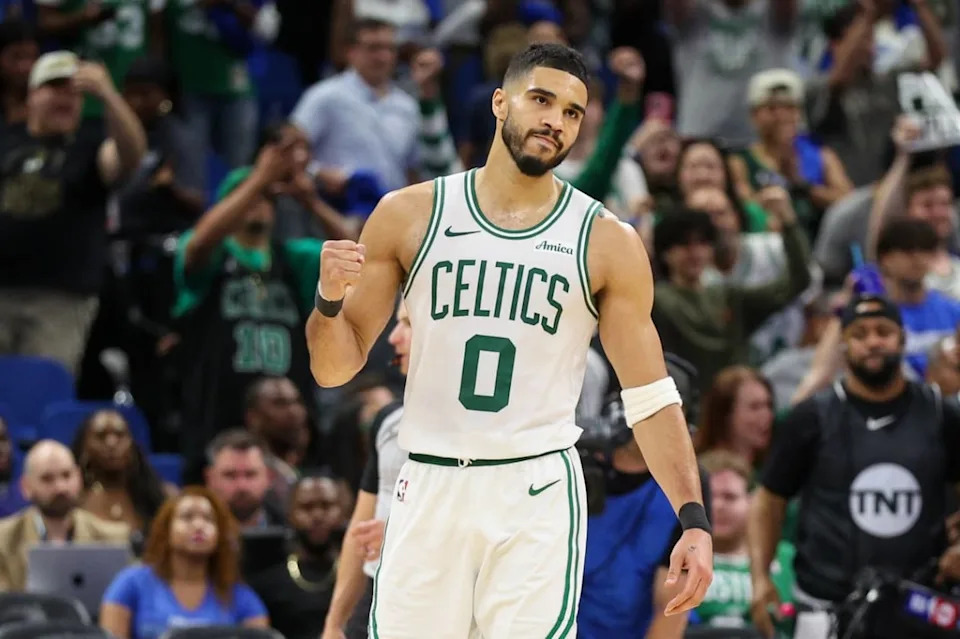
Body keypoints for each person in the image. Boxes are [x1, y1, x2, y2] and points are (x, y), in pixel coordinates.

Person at [307, 43, 712, 636]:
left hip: (535, 485)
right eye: (542, 100)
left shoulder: (605, 240)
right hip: (430, 477)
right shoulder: (409, 214)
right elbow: (333, 369)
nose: (556, 121)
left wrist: (694, 520)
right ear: (501, 102)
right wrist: (327, 302)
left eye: (573, 112)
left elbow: (650, 396)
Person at [749, 294, 960, 639]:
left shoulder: (940, 415)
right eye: (859, 334)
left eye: (883, 331)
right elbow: (768, 500)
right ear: (844, 346)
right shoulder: (811, 418)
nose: (873, 341)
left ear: (902, 339)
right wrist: (759, 578)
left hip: (916, 605)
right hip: (824, 603)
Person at [172, 138, 323, 481]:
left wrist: (310, 201)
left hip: (287, 416)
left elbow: (356, 250)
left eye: (265, 198)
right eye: (245, 197)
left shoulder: (294, 258)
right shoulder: (210, 251)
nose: (256, 204)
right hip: (217, 412)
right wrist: (260, 178)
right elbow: (198, 245)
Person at [0, 51, 147, 374]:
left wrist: (108, 95)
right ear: (32, 95)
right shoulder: (6, 141)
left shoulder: (90, 147)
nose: (66, 97)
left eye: (75, 91)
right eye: (55, 87)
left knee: (40, 394)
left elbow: (131, 156)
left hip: (60, 299)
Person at [322, 301, 410, 639]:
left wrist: (404, 538)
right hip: (376, 595)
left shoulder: (481, 432)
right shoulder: (388, 421)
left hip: (440, 601)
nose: (394, 338)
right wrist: (335, 620)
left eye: (407, 324)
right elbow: (360, 528)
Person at [99, 486, 269, 638]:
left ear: (220, 535)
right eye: (187, 517)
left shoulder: (241, 597)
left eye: (209, 519)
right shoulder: (131, 583)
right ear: (166, 530)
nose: (198, 525)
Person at [0, 440, 131, 591]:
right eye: (47, 479)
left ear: (79, 477)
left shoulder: (113, 538)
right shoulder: (3, 539)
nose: (60, 487)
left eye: (66, 475)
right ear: (26, 486)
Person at [689, 450, 795, 630]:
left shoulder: (786, 560)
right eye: (708, 495)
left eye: (729, 497)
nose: (717, 506)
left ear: (751, 502)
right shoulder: (672, 560)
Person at [247, 474, 346, 639]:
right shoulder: (267, 584)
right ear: (290, 514)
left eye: (326, 506)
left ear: (343, 512)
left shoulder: (362, 578)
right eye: (307, 507)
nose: (317, 515)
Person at [71, 409, 173, 534]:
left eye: (120, 435)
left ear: (132, 444)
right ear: (84, 446)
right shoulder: (73, 499)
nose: (111, 443)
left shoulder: (160, 496)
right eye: (100, 436)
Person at [695, 366, 776, 469]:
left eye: (768, 405)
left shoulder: (769, 472)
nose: (767, 416)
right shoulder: (700, 473)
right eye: (755, 407)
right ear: (726, 414)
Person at [204, 429, 285, 530]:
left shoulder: (290, 528)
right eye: (230, 475)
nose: (242, 486)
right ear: (210, 478)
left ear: (269, 477)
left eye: (250, 474)